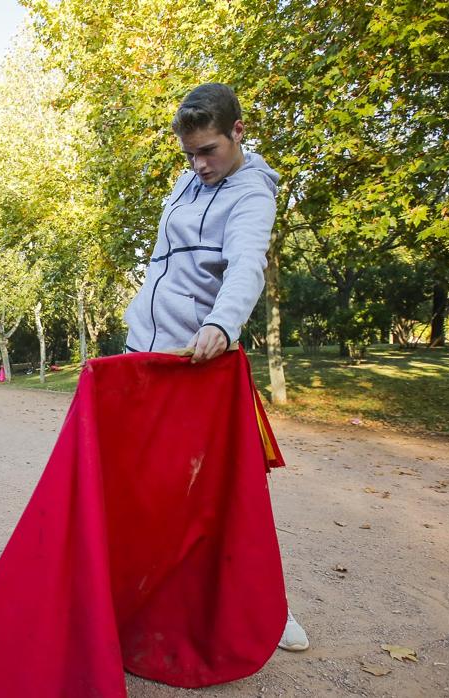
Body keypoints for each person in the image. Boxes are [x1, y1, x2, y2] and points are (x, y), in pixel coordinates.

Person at [121, 83, 308, 652]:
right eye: (190, 154)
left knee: (217, 491)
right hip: (143, 355)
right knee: (139, 485)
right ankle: (134, 593)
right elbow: (164, 263)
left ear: (239, 133)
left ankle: (266, 610)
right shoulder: (185, 183)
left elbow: (246, 265)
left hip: (196, 360)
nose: (199, 165)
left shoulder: (252, 195)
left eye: (209, 151)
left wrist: (222, 325)